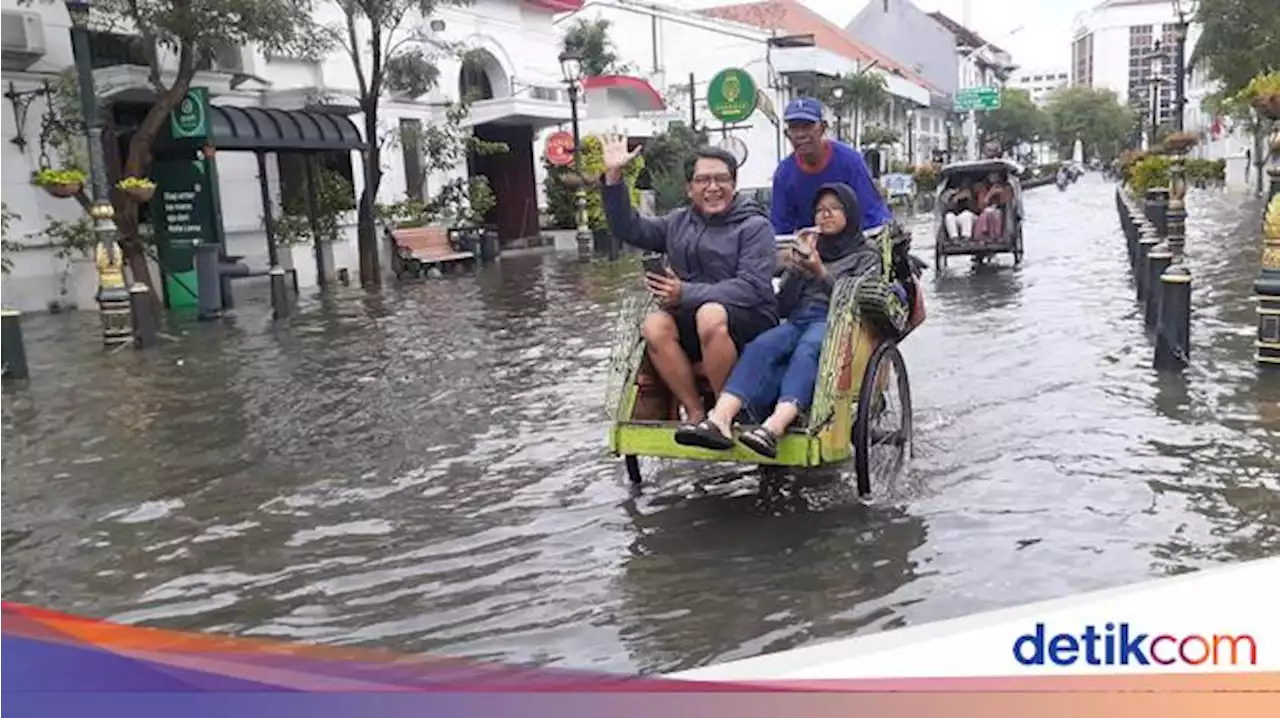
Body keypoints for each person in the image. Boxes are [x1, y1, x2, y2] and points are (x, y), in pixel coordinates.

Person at [675, 182, 907, 458]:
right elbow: (782, 305)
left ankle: (774, 426)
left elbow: (853, 302)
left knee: (809, 347)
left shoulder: (865, 256)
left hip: (841, 324)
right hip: (798, 320)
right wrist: (797, 268)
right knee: (762, 345)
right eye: (820, 210)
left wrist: (819, 272)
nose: (826, 214)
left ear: (851, 214)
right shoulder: (808, 249)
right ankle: (720, 418)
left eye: (834, 208)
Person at [598, 134, 778, 426]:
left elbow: (752, 287)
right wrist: (614, 177)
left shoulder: (755, 227)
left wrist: (685, 293)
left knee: (710, 315)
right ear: (689, 187)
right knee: (654, 325)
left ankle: (726, 414)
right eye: (703, 180)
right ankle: (694, 412)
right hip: (693, 321)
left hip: (749, 322)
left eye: (721, 179)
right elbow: (628, 228)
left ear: (734, 185)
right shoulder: (678, 222)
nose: (713, 187)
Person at [769, 97, 894, 237]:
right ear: (787, 134)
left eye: (807, 126)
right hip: (811, 249)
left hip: (855, 245)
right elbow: (780, 230)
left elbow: (872, 217)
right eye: (794, 128)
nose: (800, 134)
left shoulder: (850, 161)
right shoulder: (784, 174)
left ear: (823, 128)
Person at [974, 171, 1008, 242]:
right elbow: (981, 205)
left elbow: (1005, 202)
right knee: (987, 212)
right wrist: (990, 194)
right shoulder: (983, 189)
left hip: (1001, 212)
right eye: (992, 175)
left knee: (994, 213)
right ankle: (984, 234)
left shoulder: (1005, 187)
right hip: (986, 212)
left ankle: (996, 235)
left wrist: (1000, 193)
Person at [941, 176, 977, 241]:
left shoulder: (975, 192)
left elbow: (977, 210)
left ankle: (966, 238)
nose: (965, 185)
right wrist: (956, 199)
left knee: (966, 214)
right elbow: (946, 210)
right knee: (949, 216)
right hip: (958, 217)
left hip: (973, 217)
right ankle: (954, 239)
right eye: (963, 183)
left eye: (967, 183)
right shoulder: (952, 193)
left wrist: (970, 199)